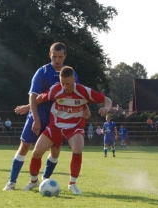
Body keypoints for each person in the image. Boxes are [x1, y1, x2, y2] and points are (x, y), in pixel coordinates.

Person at [3, 42, 80, 191]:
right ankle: (12, 182)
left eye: (60, 57)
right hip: (38, 113)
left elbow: (78, 94)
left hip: (56, 116)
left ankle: (45, 179)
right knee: (25, 146)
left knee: (55, 149)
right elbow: (33, 97)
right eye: (54, 57)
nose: (57, 60)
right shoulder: (42, 72)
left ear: (65, 56)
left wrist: (82, 110)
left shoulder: (70, 73)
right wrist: (36, 118)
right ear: (49, 55)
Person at [23, 66, 112, 195]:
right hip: (55, 127)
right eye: (62, 83)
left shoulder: (83, 91)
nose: (65, 86)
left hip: (74, 127)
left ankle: (72, 184)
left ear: (74, 80)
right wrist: (27, 107)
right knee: (36, 153)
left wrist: (107, 107)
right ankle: (33, 181)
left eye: (68, 84)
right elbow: (40, 99)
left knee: (77, 149)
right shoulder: (56, 90)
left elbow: (106, 99)